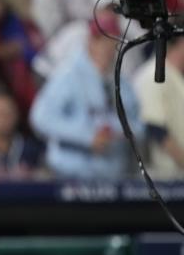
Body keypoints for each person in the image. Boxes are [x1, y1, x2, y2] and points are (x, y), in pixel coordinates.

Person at [30, 14, 142, 179]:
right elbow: (41, 118)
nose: (105, 46)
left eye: (110, 40)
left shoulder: (121, 82)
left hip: (113, 177)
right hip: (69, 176)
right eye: (99, 39)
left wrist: (116, 132)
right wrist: (87, 137)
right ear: (90, 41)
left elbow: (139, 125)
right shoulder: (68, 75)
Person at [133, 38, 184, 179]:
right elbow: (155, 129)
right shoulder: (154, 74)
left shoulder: (176, 74)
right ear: (181, 42)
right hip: (162, 179)